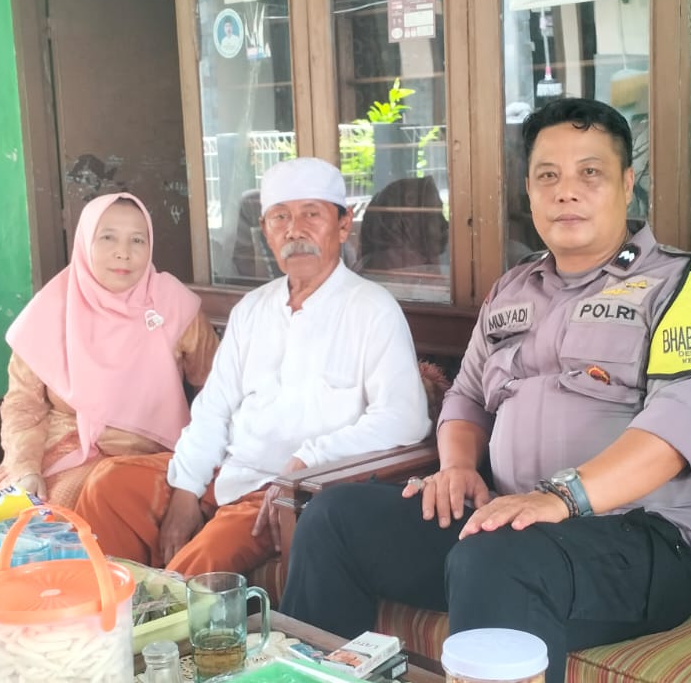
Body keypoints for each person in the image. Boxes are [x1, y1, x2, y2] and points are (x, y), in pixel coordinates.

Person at [282, 98, 691, 683]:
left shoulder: (688, 285)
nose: (566, 191)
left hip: (652, 539)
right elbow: (467, 397)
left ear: (627, 184)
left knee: (498, 557)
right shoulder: (512, 289)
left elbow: (670, 437)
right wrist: (456, 467)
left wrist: (560, 498)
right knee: (334, 518)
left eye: (590, 173)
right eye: (548, 175)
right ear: (529, 190)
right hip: (517, 518)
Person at [76, 156, 431, 578]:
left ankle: (154, 614)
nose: (294, 230)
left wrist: (308, 460)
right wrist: (186, 490)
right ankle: (109, 608)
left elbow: (405, 419)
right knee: (108, 487)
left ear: (343, 225)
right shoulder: (252, 309)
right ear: (265, 230)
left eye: (311, 214)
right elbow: (214, 408)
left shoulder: (372, 309)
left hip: (287, 489)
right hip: (229, 470)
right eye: (280, 217)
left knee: (199, 568)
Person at [0, 194, 218, 508]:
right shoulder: (51, 307)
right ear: (85, 242)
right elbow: (23, 405)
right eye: (108, 237)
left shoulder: (174, 305)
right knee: (21, 511)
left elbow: (218, 389)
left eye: (137, 240)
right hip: (58, 450)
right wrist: (25, 469)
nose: (123, 252)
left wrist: (200, 461)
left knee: (82, 505)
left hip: (147, 456)